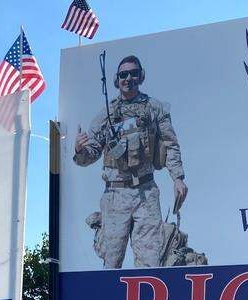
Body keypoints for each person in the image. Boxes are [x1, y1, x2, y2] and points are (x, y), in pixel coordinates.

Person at [74, 55, 187, 268]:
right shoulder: (105, 116)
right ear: (117, 80)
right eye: (123, 74)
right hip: (115, 195)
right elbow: (91, 153)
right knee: (112, 261)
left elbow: (170, 144)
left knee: (150, 262)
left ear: (141, 76)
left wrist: (178, 178)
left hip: (146, 192)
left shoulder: (155, 109)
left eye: (133, 73)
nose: (128, 78)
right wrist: (80, 150)